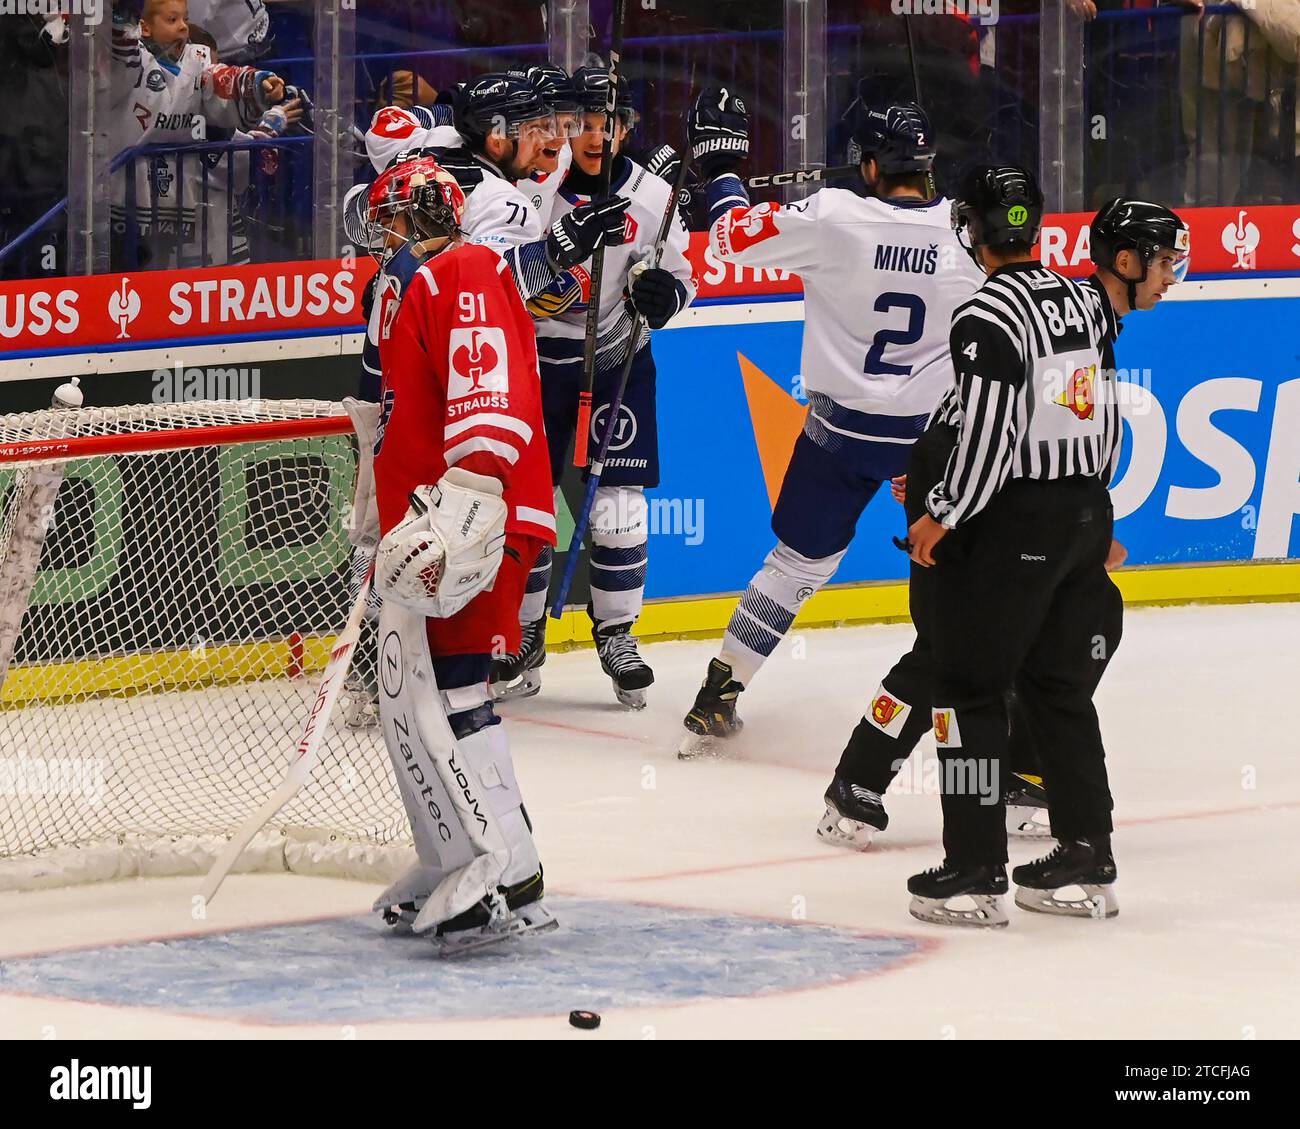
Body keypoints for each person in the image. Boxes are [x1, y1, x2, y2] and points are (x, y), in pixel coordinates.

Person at [822, 194, 1189, 849]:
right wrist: (944, 502)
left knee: (1049, 634)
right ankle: (858, 779)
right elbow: (991, 418)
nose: (1171, 277)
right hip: (965, 471)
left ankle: (1019, 770)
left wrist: (1085, 519)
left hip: (1000, 479)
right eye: (1164, 263)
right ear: (1125, 261)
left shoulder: (1083, 313)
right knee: (949, 644)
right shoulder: (1052, 307)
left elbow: (1076, 420)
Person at [676, 94, 984, 756]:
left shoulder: (833, 216)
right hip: (927, 440)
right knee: (959, 589)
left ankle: (720, 692)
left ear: (869, 166)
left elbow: (730, 237)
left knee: (794, 566)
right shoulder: (963, 232)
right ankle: (983, 741)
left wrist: (725, 170)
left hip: (840, 433)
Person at [904, 164, 1124, 929]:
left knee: (966, 690)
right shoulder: (1086, 300)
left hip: (1014, 526)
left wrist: (942, 512)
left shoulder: (986, 317)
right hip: (1083, 514)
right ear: (1034, 229)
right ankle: (1086, 857)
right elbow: (1103, 410)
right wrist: (1097, 511)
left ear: (974, 232)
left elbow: (993, 436)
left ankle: (973, 869)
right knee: (1059, 690)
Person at [358, 155, 558, 952]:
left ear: (417, 217)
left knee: (453, 689)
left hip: (468, 518)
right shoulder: (423, 289)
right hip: (434, 520)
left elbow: (491, 393)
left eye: (389, 223)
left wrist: (467, 505)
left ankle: (502, 869)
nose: (381, 240)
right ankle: (459, 855)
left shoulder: (464, 269)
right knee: (422, 694)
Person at [489, 65, 696, 710]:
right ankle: (521, 634)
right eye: (581, 121)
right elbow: (506, 280)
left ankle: (617, 631)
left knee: (620, 502)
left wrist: (668, 295)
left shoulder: (655, 199)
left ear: (627, 128)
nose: (596, 134)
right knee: (532, 503)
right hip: (538, 362)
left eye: (609, 121)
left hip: (619, 360)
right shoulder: (531, 192)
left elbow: (680, 275)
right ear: (561, 128)